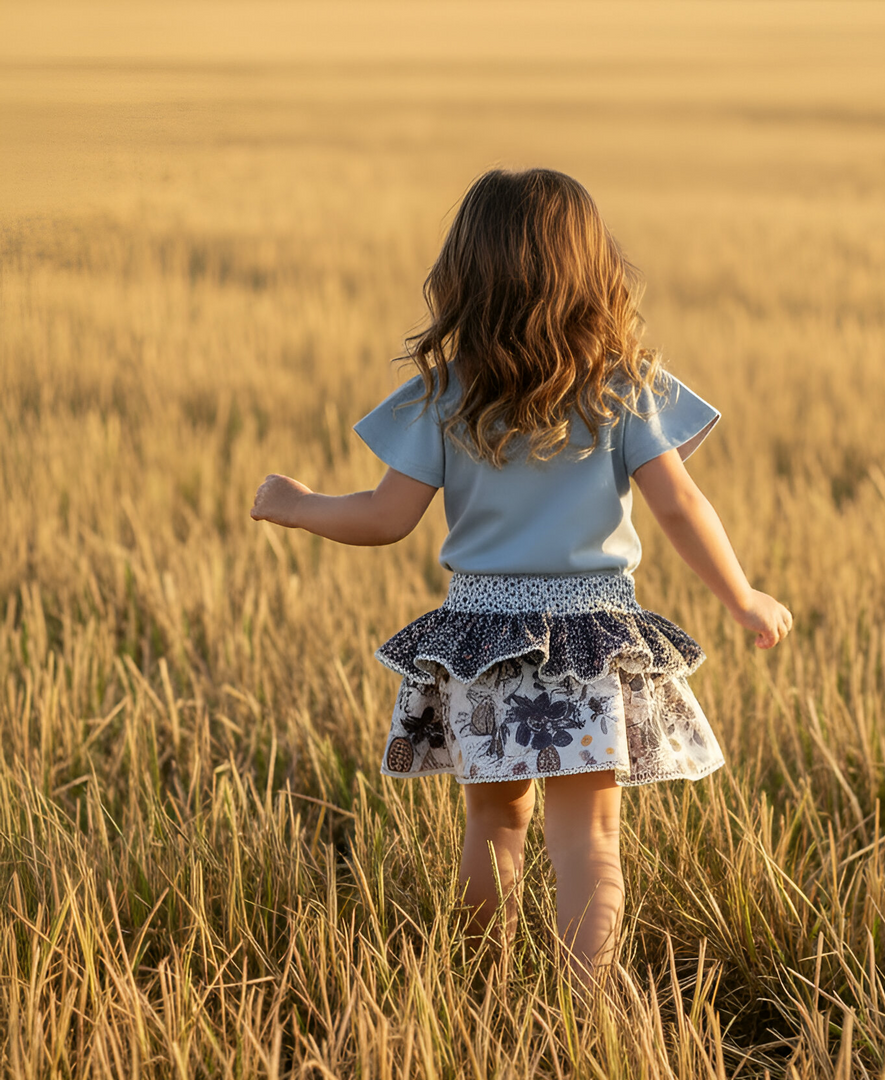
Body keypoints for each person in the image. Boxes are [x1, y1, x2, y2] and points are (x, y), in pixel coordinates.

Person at [250, 168, 792, 986]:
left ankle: (481, 989)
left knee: (493, 830)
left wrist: (299, 505)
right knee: (590, 841)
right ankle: (588, 1003)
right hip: (590, 642)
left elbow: (383, 518)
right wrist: (742, 595)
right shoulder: (624, 389)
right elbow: (680, 507)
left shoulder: (446, 396)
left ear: (464, 276)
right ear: (594, 271)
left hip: (481, 644)